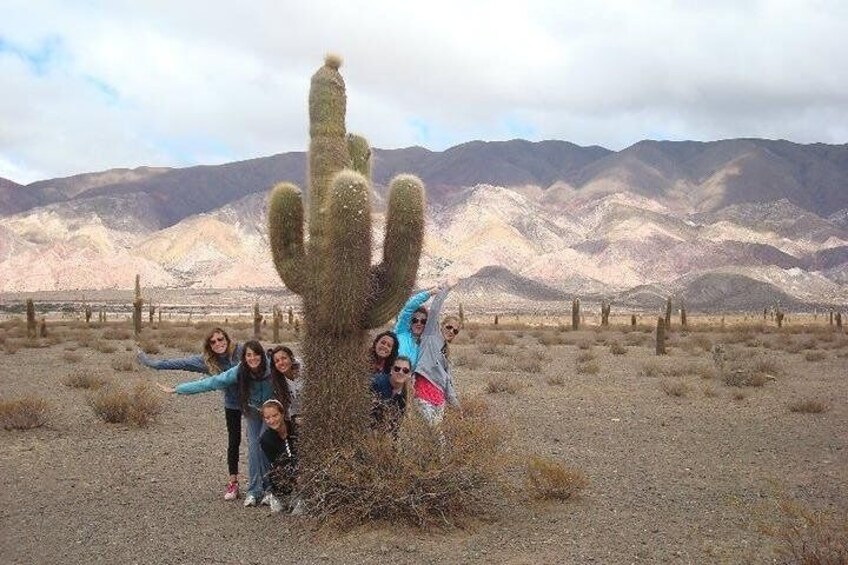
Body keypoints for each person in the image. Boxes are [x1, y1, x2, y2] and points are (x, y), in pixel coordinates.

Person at [157, 340, 275, 508]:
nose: (253, 358)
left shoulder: (271, 367)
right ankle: (254, 491)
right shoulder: (240, 371)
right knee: (254, 448)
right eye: (248, 355)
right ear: (244, 357)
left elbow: (291, 366)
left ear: (262, 355)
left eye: (256, 354)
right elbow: (212, 382)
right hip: (254, 413)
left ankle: (269, 489)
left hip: (272, 413)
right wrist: (179, 389)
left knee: (265, 443)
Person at [137, 327, 243, 501]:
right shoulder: (206, 361)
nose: (218, 343)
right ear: (209, 346)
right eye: (213, 341)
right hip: (232, 404)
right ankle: (233, 483)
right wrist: (152, 363)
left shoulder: (241, 352)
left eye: (221, 339)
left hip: (253, 402)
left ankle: (265, 483)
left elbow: (260, 359)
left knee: (259, 440)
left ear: (227, 339)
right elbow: (181, 363)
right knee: (234, 442)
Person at [412, 282, 462, 425]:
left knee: (433, 439)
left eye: (455, 330)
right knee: (433, 436)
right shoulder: (430, 334)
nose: (451, 331)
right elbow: (435, 309)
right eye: (449, 327)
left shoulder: (446, 351)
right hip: (422, 392)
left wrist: (455, 404)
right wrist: (447, 288)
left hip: (439, 398)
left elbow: (447, 380)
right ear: (441, 325)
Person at [259, 399, 299, 514]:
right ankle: (277, 496)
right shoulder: (266, 439)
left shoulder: (296, 429)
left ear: (282, 414)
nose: (272, 420)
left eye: (275, 415)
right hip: (284, 474)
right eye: (267, 418)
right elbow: (277, 463)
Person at [394, 287, 439, 365]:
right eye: (415, 320)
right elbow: (408, 309)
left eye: (423, 321)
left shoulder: (425, 345)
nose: (419, 323)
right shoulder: (401, 332)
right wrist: (429, 293)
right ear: (410, 322)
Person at [370, 355, 412, 436]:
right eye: (397, 369)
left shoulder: (405, 395)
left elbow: (396, 423)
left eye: (405, 370)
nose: (400, 372)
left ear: (409, 374)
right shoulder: (376, 383)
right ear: (391, 370)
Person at [267, 345, 304, 426]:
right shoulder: (277, 381)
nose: (281, 363)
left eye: (284, 358)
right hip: (298, 419)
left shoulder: (303, 369)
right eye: (277, 361)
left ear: (291, 358)